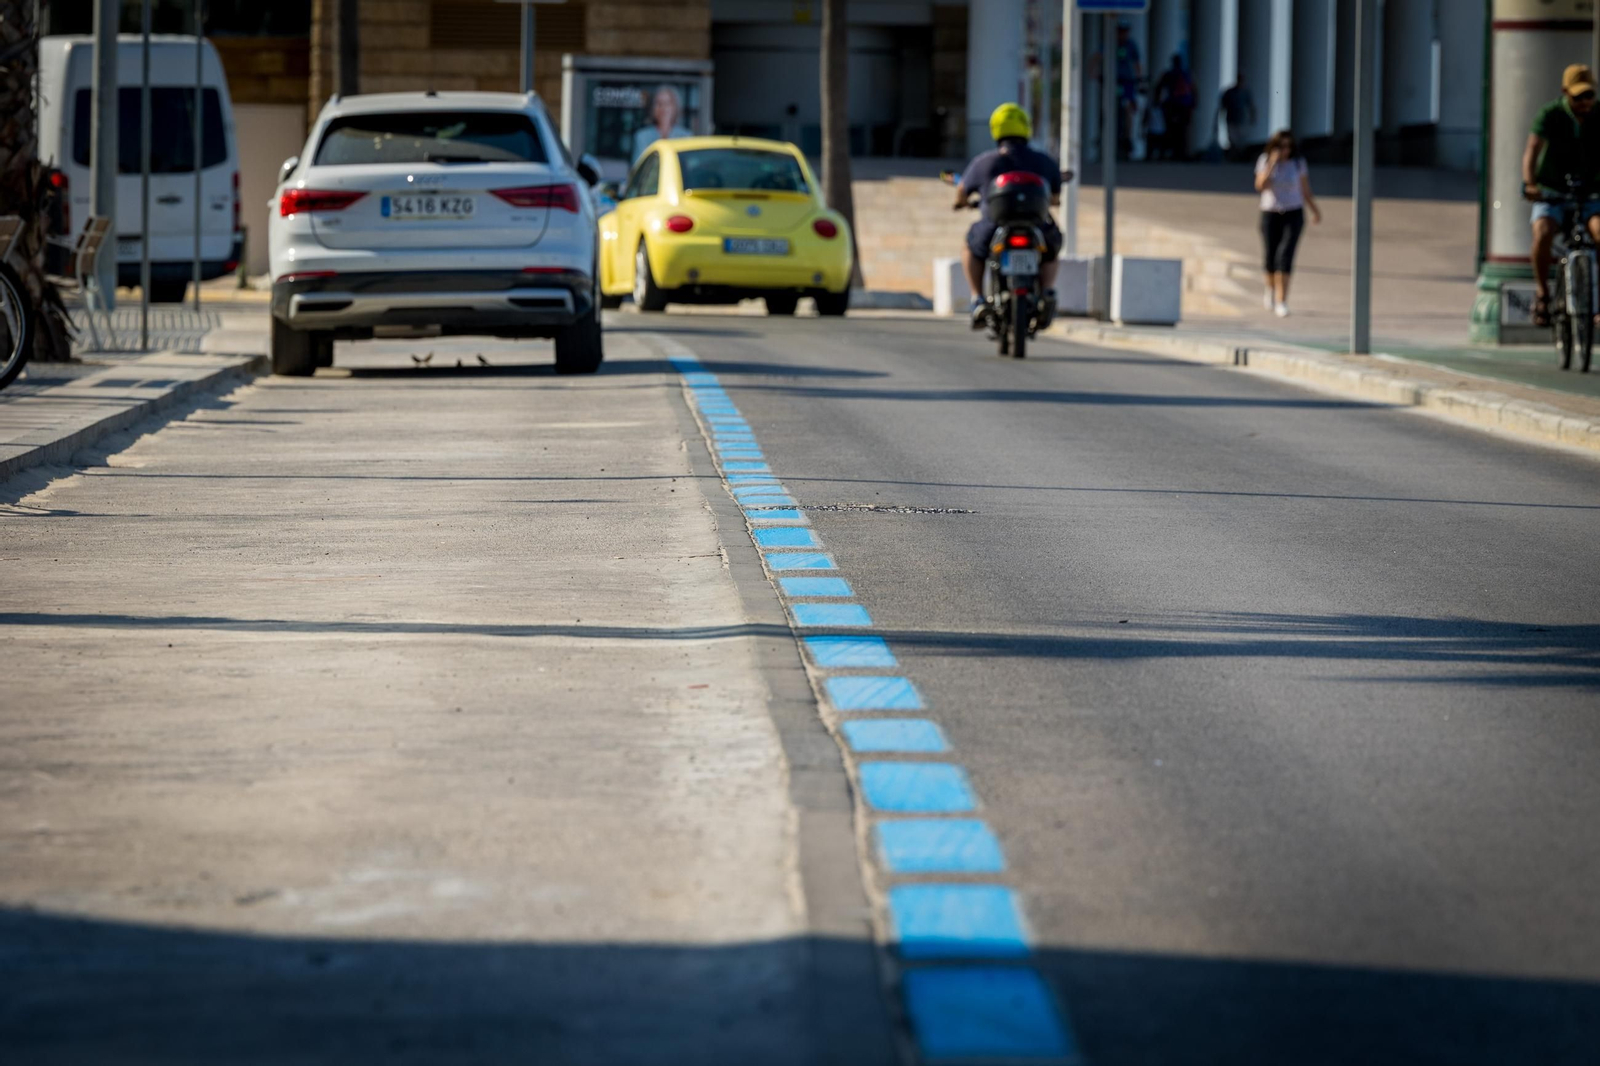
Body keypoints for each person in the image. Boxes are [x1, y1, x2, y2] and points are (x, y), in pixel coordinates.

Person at [952, 103, 1065, 328]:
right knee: (1051, 248)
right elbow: (1055, 194)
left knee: (970, 248)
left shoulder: (985, 162)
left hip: (993, 228)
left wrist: (962, 203)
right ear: (1026, 127)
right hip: (1037, 226)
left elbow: (962, 190)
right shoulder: (1044, 161)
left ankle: (978, 299)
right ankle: (1047, 291)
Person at [1523, 63, 1600, 327]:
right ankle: (1543, 291)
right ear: (1565, 92)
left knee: (1599, 232)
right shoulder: (1551, 114)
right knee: (1543, 231)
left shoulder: (1598, 114)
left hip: (1590, 192)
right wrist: (1530, 184)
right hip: (1553, 191)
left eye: (1589, 95)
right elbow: (1532, 150)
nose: (1585, 102)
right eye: (1578, 97)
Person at [1254, 129, 1321, 318]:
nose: (1285, 150)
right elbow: (1260, 186)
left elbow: (1305, 190)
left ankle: (1281, 300)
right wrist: (1272, 164)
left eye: (1288, 147)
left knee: (1285, 255)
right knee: (1270, 256)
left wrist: (1315, 210)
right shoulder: (1265, 160)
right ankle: (1270, 290)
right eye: (1281, 146)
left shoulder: (1298, 163)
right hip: (1270, 213)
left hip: (1293, 213)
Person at [631, 85, 692, 164]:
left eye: (667, 103)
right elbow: (638, 169)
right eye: (659, 103)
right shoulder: (642, 137)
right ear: (653, 108)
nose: (663, 108)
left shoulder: (686, 137)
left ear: (675, 107)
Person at [1153, 54, 1195, 161]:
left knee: (1170, 129)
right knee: (1183, 130)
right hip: (1184, 105)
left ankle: (1171, 151)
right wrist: (1193, 104)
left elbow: (1158, 87)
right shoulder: (1186, 74)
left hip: (1172, 105)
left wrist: (1157, 101)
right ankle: (1182, 152)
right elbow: (1194, 90)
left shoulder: (1169, 74)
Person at [1115, 23, 1143, 159]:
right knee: (1110, 109)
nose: (1122, 34)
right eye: (1120, 31)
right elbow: (1098, 57)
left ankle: (1128, 137)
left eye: (1125, 32)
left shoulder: (1131, 45)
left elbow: (1137, 64)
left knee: (1129, 109)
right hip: (1113, 83)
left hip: (1127, 83)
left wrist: (1139, 79)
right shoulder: (1110, 43)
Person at [1220, 74, 1256, 160]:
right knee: (1232, 140)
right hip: (1231, 119)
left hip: (1241, 120)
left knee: (1241, 141)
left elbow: (1251, 106)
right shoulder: (1229, 92)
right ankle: (1233, 157)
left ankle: (1239, 157)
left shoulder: (1245, 92)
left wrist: (1253, 117)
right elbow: (1223, 106)